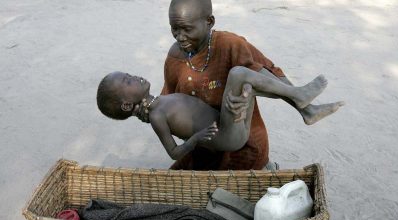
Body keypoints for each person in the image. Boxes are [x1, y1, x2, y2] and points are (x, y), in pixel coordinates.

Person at [147, 0, 344, 170]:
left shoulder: (230, 44)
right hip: (205, 147)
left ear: (209, 22)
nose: (180, 36)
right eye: (175, 29)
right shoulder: (175, 59)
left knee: (244, 76)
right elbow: (169, 105)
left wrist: (244, 96)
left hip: (244, 144)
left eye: (188, 29)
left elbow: (269, 76)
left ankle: (304, 107)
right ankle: (306, 108)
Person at [97, 68, 330, 161]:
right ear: (128, 106)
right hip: (228, 136)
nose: (134, 76)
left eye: (128, 73)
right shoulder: (157, 116)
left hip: (229, 120)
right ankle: (299, 98)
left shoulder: (158, 102)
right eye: (128, 80)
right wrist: (197, 138)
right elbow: (174, 153)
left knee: (250, 76)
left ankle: (306, 109)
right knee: (239, 73)